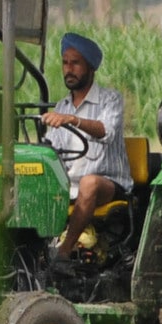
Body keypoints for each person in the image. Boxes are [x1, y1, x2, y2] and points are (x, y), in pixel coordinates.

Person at [40, 32, 129, 261]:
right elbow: (52, 149)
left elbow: (106, 131)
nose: (69, 69)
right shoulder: (62, 105)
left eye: (75, 63)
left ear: (90, 67)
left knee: (89, 183)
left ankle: (63, 253)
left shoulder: (111, 99)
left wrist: (73, 120)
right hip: (69, 186)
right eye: (65, 63)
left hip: (108, 183)